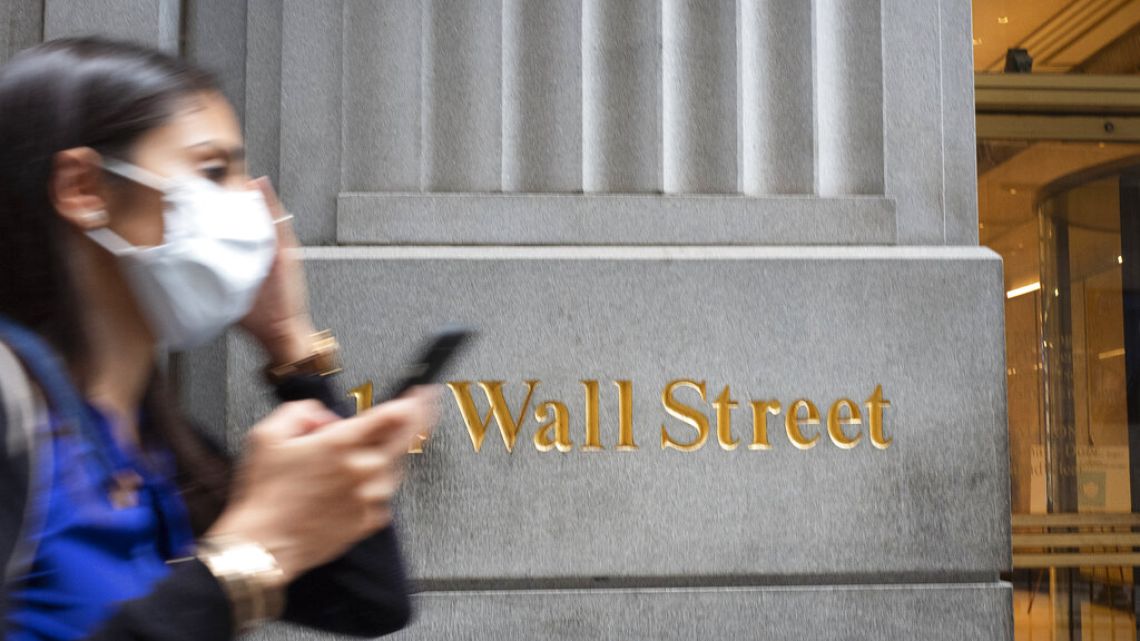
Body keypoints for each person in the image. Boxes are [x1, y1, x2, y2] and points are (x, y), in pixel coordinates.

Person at [0, 37, 436, 640]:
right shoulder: (16, 410)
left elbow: (368, 601)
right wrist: (248, 551)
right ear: (85, 189)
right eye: (214, 170)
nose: (255, 206)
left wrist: (293, 350)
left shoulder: (154, 441)